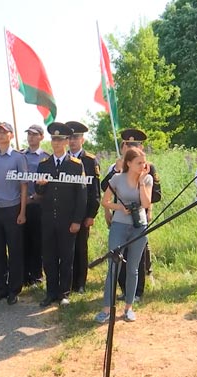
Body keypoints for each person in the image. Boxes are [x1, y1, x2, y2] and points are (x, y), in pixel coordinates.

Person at [94, 147, 153, 323]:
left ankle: (129, 308)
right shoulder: (117, 178)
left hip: (139, 226)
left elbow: (146, 203)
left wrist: (142, 182)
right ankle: (106, 309)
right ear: (129, 163)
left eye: (144, 162)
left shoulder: (147, 179)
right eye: (139, 163)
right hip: (119, 225)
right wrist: (120, 208)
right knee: (114, 266)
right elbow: (105, 202)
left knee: (133, 268)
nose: (143, 166)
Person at [101, 129, 158, 300]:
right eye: (128, 144)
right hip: (120, 217)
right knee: (118, 258)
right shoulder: (115, 168)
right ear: (123, 146)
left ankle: (136, 292)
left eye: (135, 144)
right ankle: (121, 290)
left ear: (141, 146)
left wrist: (149, 211)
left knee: (137, 259)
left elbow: (155, 195)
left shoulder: (148, 169)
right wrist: (107, 211)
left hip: (139, 218)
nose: (131, 146)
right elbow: (105, 188)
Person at [35, 122, 85, 307]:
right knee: (48, 257)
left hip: (67, 220)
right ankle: (51, 292)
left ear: (66, 141)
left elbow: (81, 195)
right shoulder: (44, 164)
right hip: (48, 219)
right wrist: (40, 185)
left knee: (66, 257)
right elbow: (37, 191)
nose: (56, 142)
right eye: (53, 139)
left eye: (59, 139)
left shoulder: (75, 165)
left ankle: (64, 293)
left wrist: (77, 220)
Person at [0, 122, 28, 305]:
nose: (1, 135)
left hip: (13, 208)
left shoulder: (18, 158)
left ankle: (14, 289)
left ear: (11, 135)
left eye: (4, 132)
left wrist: (22, 211)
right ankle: (0, 287)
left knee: (15, 250)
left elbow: (24, 186)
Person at [66, 121, 100, 294]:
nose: (72, 141)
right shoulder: (62, 159)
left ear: (82, 140)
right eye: (70, 137)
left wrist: (91, 214)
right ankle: (68, 281)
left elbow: (95, 191)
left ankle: (80, 283)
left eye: (76, 137)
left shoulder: (90, 160)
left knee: (80, 248)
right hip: (65, 213)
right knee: (66, 249)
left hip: (83, 212)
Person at [22, 124, 49, 286]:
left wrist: (33, 197)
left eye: (34, 134)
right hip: (21, 204)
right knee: (22, 240)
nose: (31, 137)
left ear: (41, 137)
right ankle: (24, 274)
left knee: (37, 241)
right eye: (29, 134)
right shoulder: (20, 156)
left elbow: (47, 184)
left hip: (38, 205)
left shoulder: (45, 158)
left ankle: (37, 275)